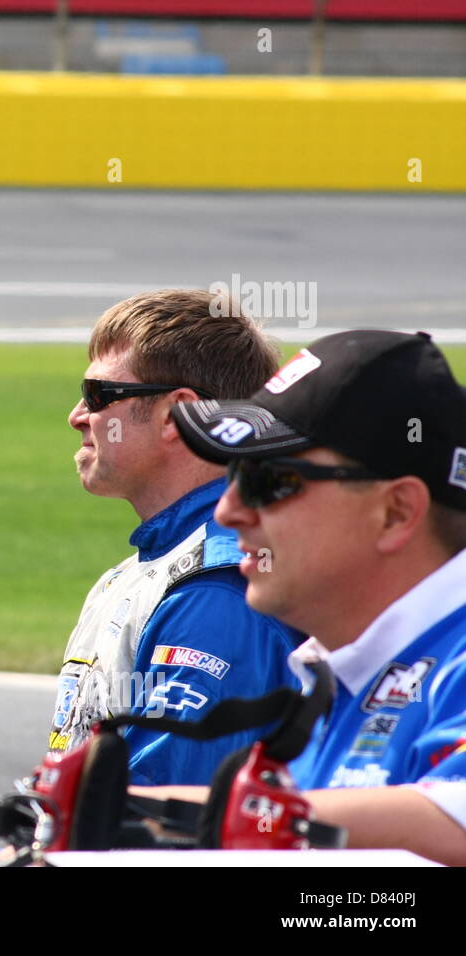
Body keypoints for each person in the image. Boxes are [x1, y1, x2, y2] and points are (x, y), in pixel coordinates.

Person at [153, 329, 466, 864]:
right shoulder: (337, 671)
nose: (227, 511)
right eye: (231, 474)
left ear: (395, 512)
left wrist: (120, 813)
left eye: (265, 480)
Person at [51, 290, 302, 785]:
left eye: (99, 395)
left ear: (176, 416)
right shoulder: (142, 571)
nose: (77, 415)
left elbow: (165, 823)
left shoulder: (217, 590)